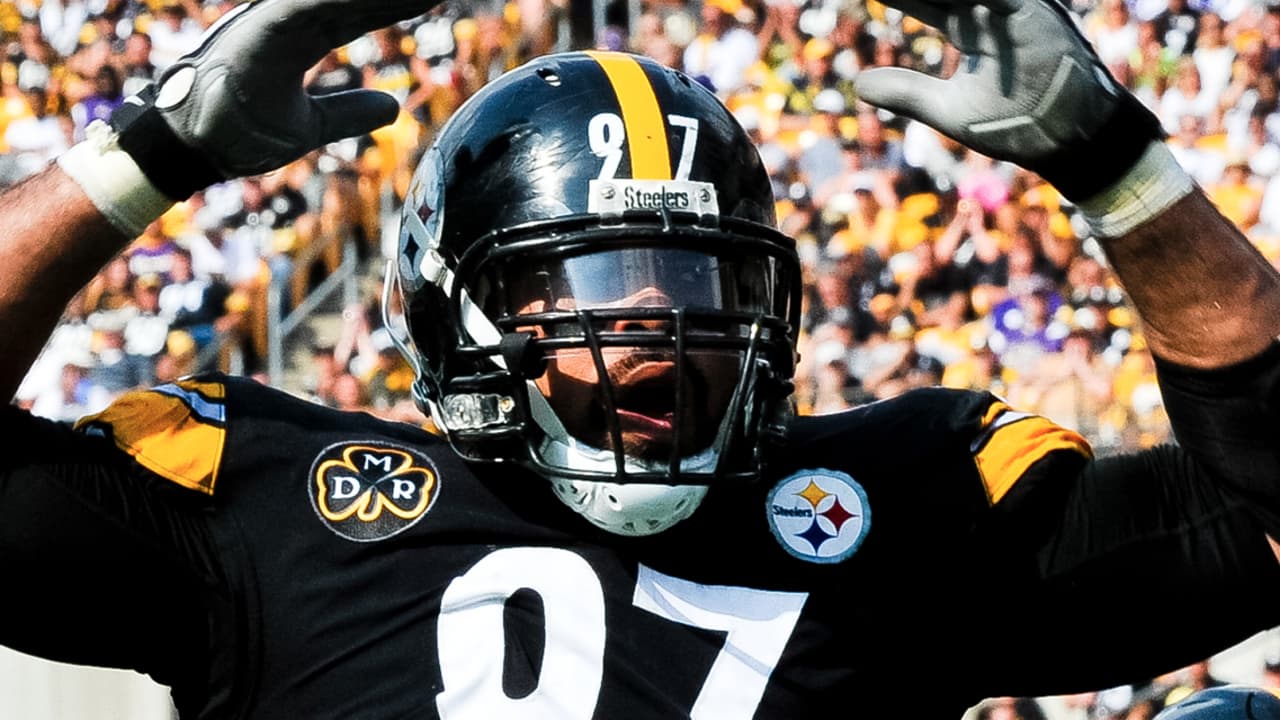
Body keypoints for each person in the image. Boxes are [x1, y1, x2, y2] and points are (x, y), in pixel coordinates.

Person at [3, 0, 1280, 718]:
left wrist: (1118, 166)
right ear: (460, 312)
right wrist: (143, 153)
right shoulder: (273, 507)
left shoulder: (907, 504)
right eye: (599, 285)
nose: (658, 333)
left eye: (702, 280)